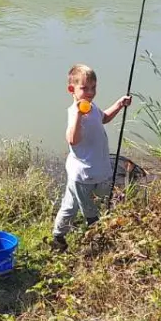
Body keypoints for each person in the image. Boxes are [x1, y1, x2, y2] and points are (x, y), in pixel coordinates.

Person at [49, 64, 132, 252]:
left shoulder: (92, 107)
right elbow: (72, 139)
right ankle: (95, 245)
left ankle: (58, 236)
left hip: (97, 170)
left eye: (93, 88)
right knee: (90, 211)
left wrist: (119, 104)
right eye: (84, 88)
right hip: (84, 175)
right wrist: (79, 115)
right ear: (72, 90)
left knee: (70, 206)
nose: (90, 92)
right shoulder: (74, 112)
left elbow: (103, 118)